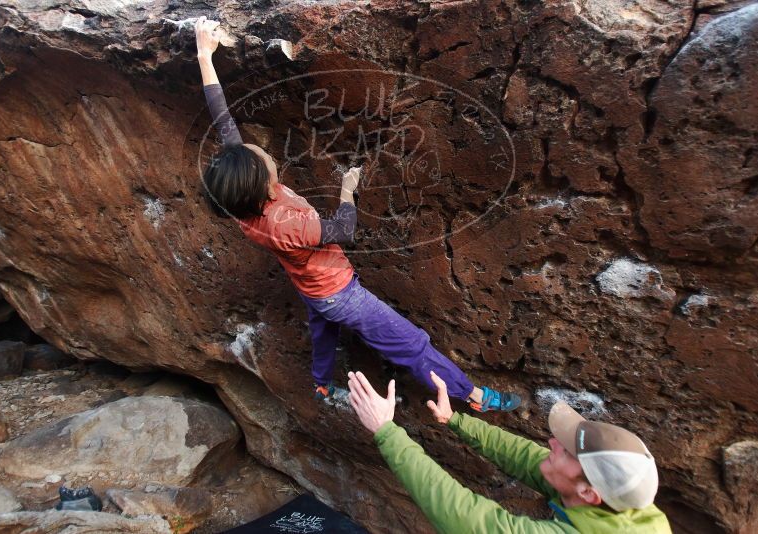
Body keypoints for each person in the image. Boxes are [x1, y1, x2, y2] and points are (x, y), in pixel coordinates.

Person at [194, 16, 520, 413]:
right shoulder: (290, 222)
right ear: (263, 184)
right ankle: (473, 395)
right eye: (259, 157)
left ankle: (320, 383)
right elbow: (343, 230)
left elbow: (223, 119)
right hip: (340, 293)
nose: (260, 150)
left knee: (322, 332)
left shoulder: (240, 205)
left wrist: (203, 54)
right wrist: (347, 190)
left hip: (310, 287)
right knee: (409, 342)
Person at [347, 370, 671, 533]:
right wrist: (456, 421)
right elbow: (523, 455)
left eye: (568, 452)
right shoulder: (620, 503)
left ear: (589, 493)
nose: (552, 443)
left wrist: (386, 431)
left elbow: (469, 519)